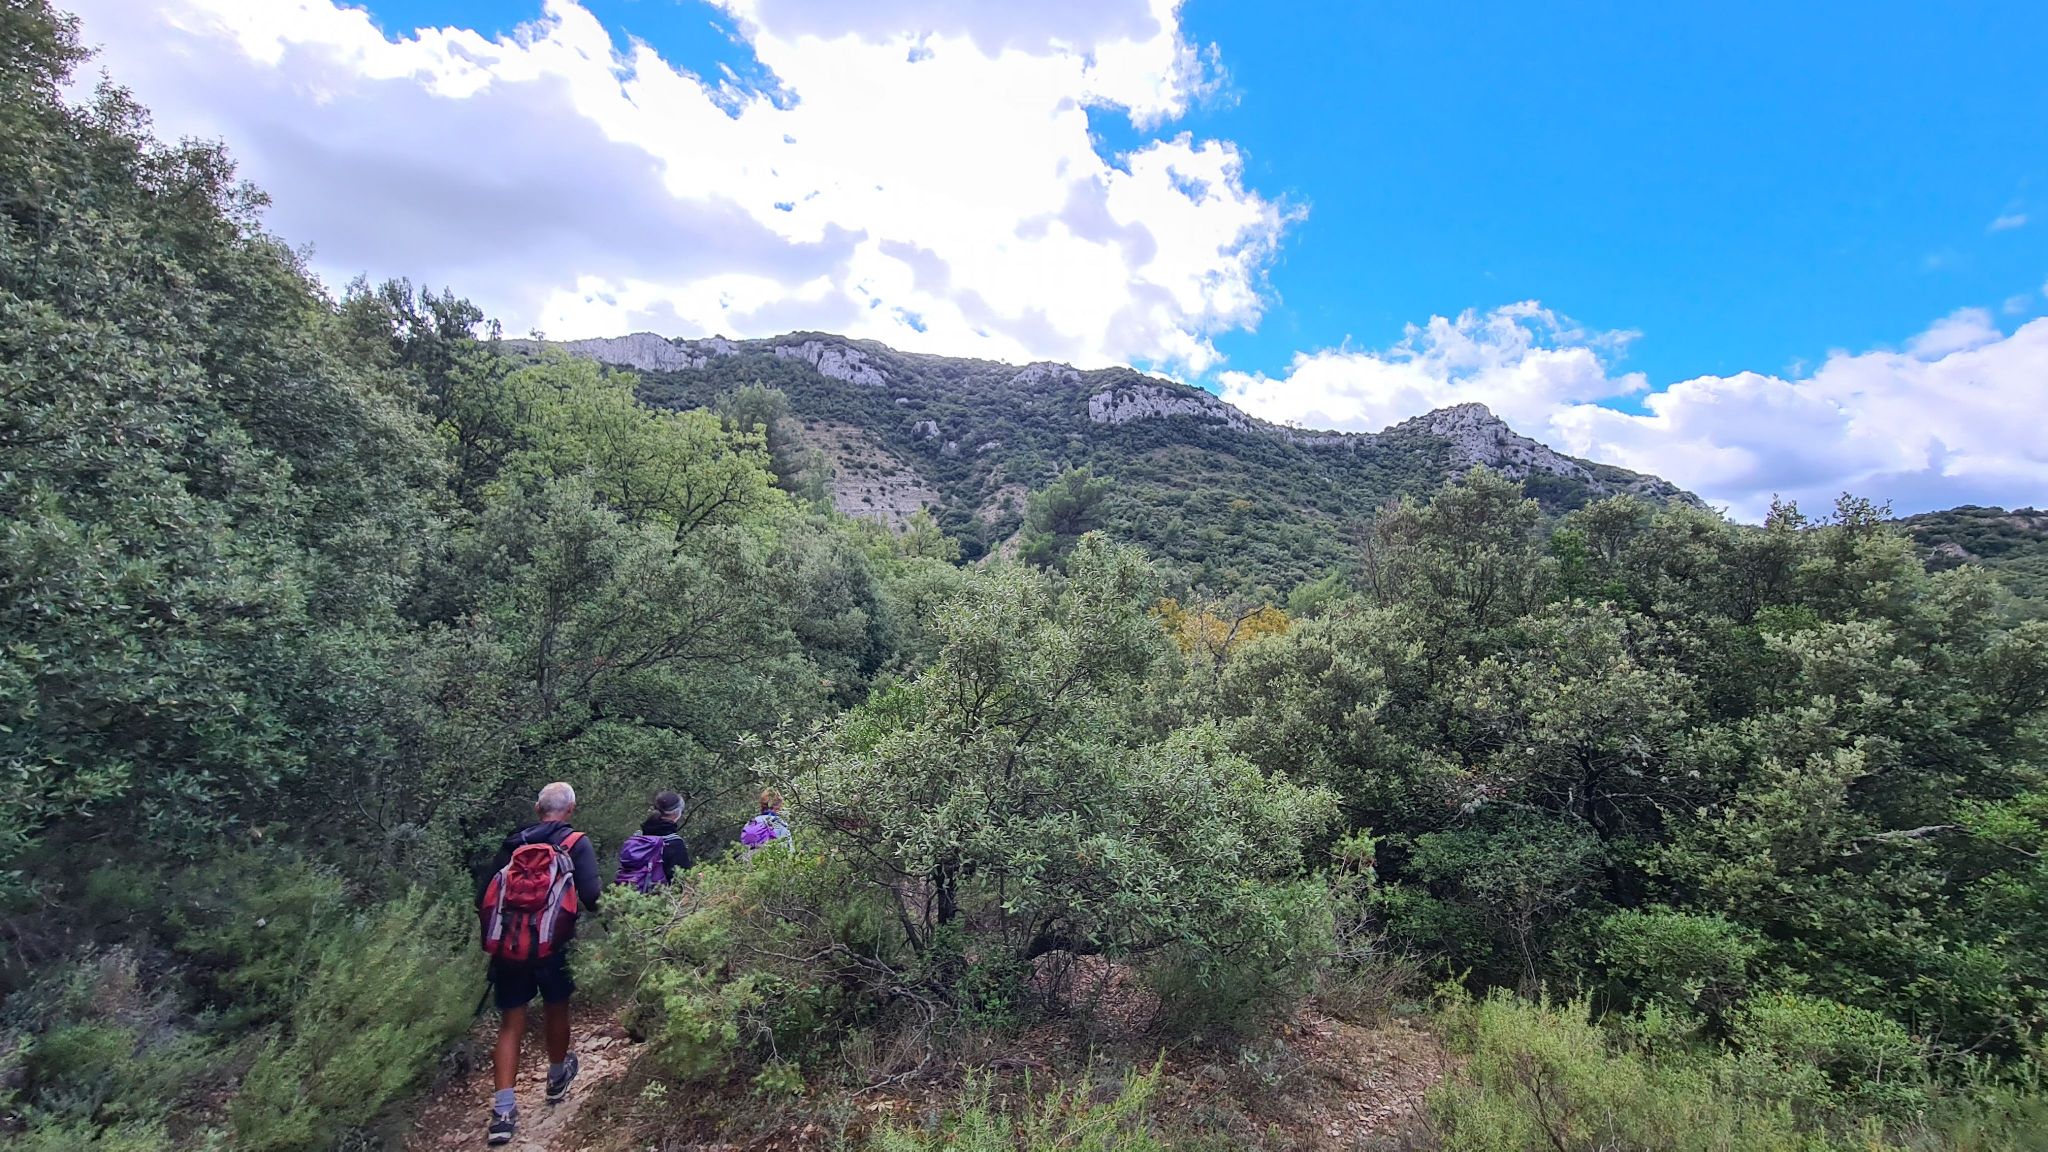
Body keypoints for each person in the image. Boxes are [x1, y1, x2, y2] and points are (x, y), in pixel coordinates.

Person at [478, 782, 601, 1146]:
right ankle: (557, 1075)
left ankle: (503, 1112)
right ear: (571, 809)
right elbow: (593, 896)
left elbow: (482, 896)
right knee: (556, 1008)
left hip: (510, 947)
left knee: (510, 1023)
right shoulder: (576, 842)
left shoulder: (513, 843)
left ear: (537, 809)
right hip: (553, 945)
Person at [614, 789, 692, 891]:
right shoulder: (674, 843)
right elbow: (682, 882)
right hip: (658, 898)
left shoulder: (638, 836)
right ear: (677, 813)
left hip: (629, 895)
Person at [740, 788, 793, 859]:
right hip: (772, 861)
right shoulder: (779, 823)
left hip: (752, 861)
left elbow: (744, 847)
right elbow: (788, 850)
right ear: (778, 805)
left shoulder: (751, 823)